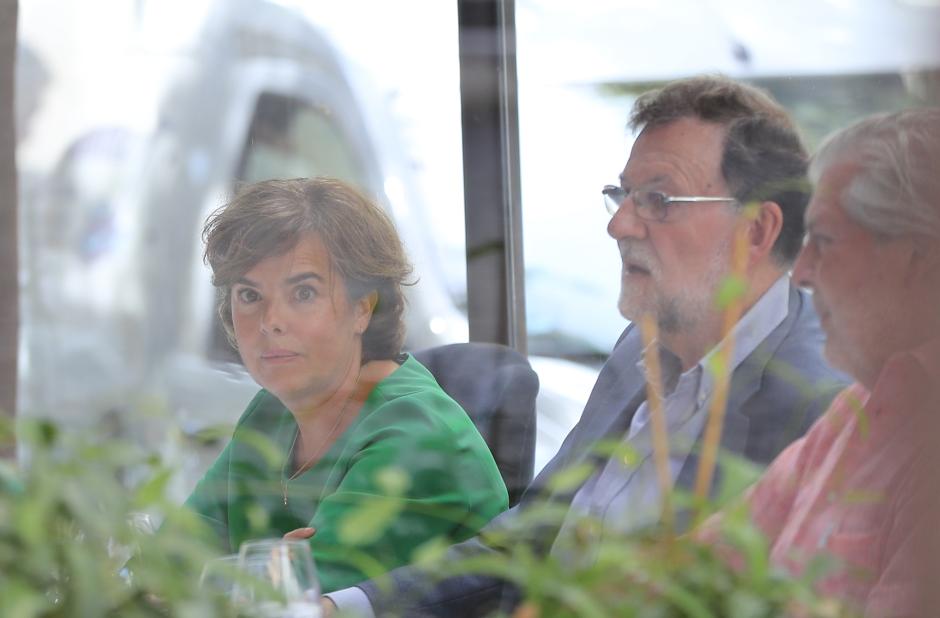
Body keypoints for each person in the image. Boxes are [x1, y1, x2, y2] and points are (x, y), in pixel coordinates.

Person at [324, 75, 849, 617]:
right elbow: (526, 540)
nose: (620, 224)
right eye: (623, 195)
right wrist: (342, 608)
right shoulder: (639, 348)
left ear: (757, 230)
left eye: (658, 200)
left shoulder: (819, 403)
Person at [183, 177, 509, 593]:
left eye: (303, 292)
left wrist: (235, 573)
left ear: (362, 308)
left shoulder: (417, 433)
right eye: (249, 295)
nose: (270, 321)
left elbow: (292, 599)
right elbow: (167, 561)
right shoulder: (271, 411)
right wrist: (258, 568)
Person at [723, 108, 940, 616]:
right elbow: (716, 555)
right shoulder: (861, 408)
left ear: (920, 256)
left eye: (823, 240)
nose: (801, 273)